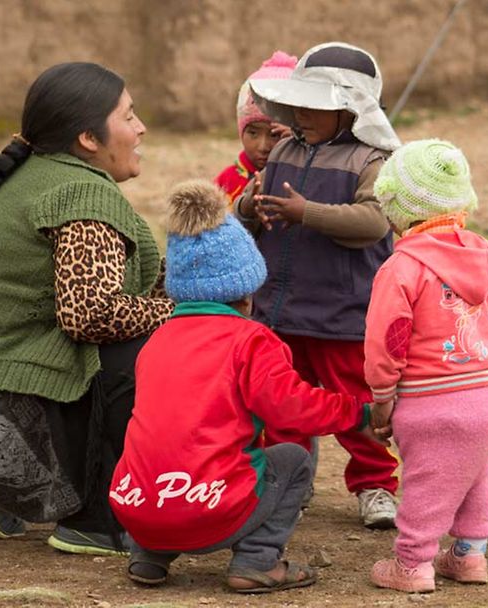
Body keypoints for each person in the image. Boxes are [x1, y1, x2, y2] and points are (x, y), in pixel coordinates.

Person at [0, 62, 172, 557]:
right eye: (129, 116)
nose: (141, 128)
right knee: (146, 349)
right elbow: (90, 313)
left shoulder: (28, 175)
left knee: (135, 338)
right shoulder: (82, 192)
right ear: (89, 137)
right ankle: (97, 521)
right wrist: (181, 315)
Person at [110, 180, 378, 593]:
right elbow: (292, 409)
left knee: (161, 450)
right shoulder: (251, 341)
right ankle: (257, 561)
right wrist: (357, 412)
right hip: (210, 510)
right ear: (248, 290)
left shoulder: (157, 340)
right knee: (292, 457)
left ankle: (149, 556)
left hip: (136, 508)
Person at [233, 41, 402, 529]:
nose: (302, 113)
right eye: (300, 103)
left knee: (358, 406)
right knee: (284, 405)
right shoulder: (285, 150)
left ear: (349, 110)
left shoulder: (371, 159)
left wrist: (307, 213)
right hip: (281, 312)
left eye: (316, 106)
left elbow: (374, 221)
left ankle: (375, 485)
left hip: (343, 313)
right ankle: (291, 482)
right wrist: (251, 208)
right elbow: (249, 201)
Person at [361, 140, 488, 593]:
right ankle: (469, 557)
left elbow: (387, 337)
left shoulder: (402, 266)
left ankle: (412, 564)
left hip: (428, 404)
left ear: (398, 206)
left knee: (425, 483)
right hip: (482, 402)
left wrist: (381, 396)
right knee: (473, 474)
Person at [215, 51, 297, 203]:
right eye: (253, 133)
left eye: (274, 135)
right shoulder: (226, 182)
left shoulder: (301, 179)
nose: (263, 146)